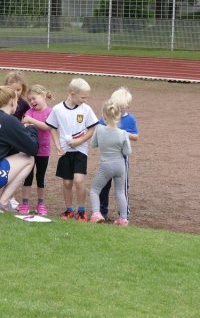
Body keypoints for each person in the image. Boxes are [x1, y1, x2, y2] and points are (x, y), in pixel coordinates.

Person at [45, 78, 99, 222]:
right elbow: (52, 128)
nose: (85, 100)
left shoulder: (86, 109)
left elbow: (92, 129)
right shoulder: (57, 109)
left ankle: (81, 211)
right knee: (67, 183)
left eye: (86, 97)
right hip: (65, 151)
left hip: (80, 150)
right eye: (82, 97)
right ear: (72, 93)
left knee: (79, 180)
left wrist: (79, 141)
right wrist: (58, 145)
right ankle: (69, 210)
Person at [98, 87, 139, 220]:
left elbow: (135, 136)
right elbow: (99, 130)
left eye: (126, 106)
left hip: (122, 158)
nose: (126, 109)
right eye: (123, 106)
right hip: (106, 157)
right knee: (103, 185)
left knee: (122, 187)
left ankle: (124, 214)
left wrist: (123, 134)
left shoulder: (130, 119)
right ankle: (102, 211)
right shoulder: (106, 117)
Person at [89, 101, 132, 226]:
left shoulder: (99, 129)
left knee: (94, 190)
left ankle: (96, 214)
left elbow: (93, 144)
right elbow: (127, 151)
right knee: (120, 192)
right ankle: (123, 218)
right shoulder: (123, 133)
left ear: (103, 115)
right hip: (120, 165)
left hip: (106, 164)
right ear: (119, 116)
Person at [0, 70, 30, 209]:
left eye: (18, 90)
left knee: (11, 169)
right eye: (12, 90)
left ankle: (10, 197)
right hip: (1, 141)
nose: (15, 93)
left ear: (23, 89)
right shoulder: (0, 103)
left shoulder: (24, 105)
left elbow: (26, 119)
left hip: (14, 142)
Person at [19, 84, 54, 216]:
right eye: (30, 100)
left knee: (41, 177)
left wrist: (30, 120)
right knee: (27, 177)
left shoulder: (50, 112)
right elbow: (25, 125)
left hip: (43, 151)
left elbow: (47, 126)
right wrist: (27, 121)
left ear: (43, 95)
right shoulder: (29, 112)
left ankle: (41, 203)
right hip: (29, 150)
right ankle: (25, 203)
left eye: (34, 98)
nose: (32, 102)